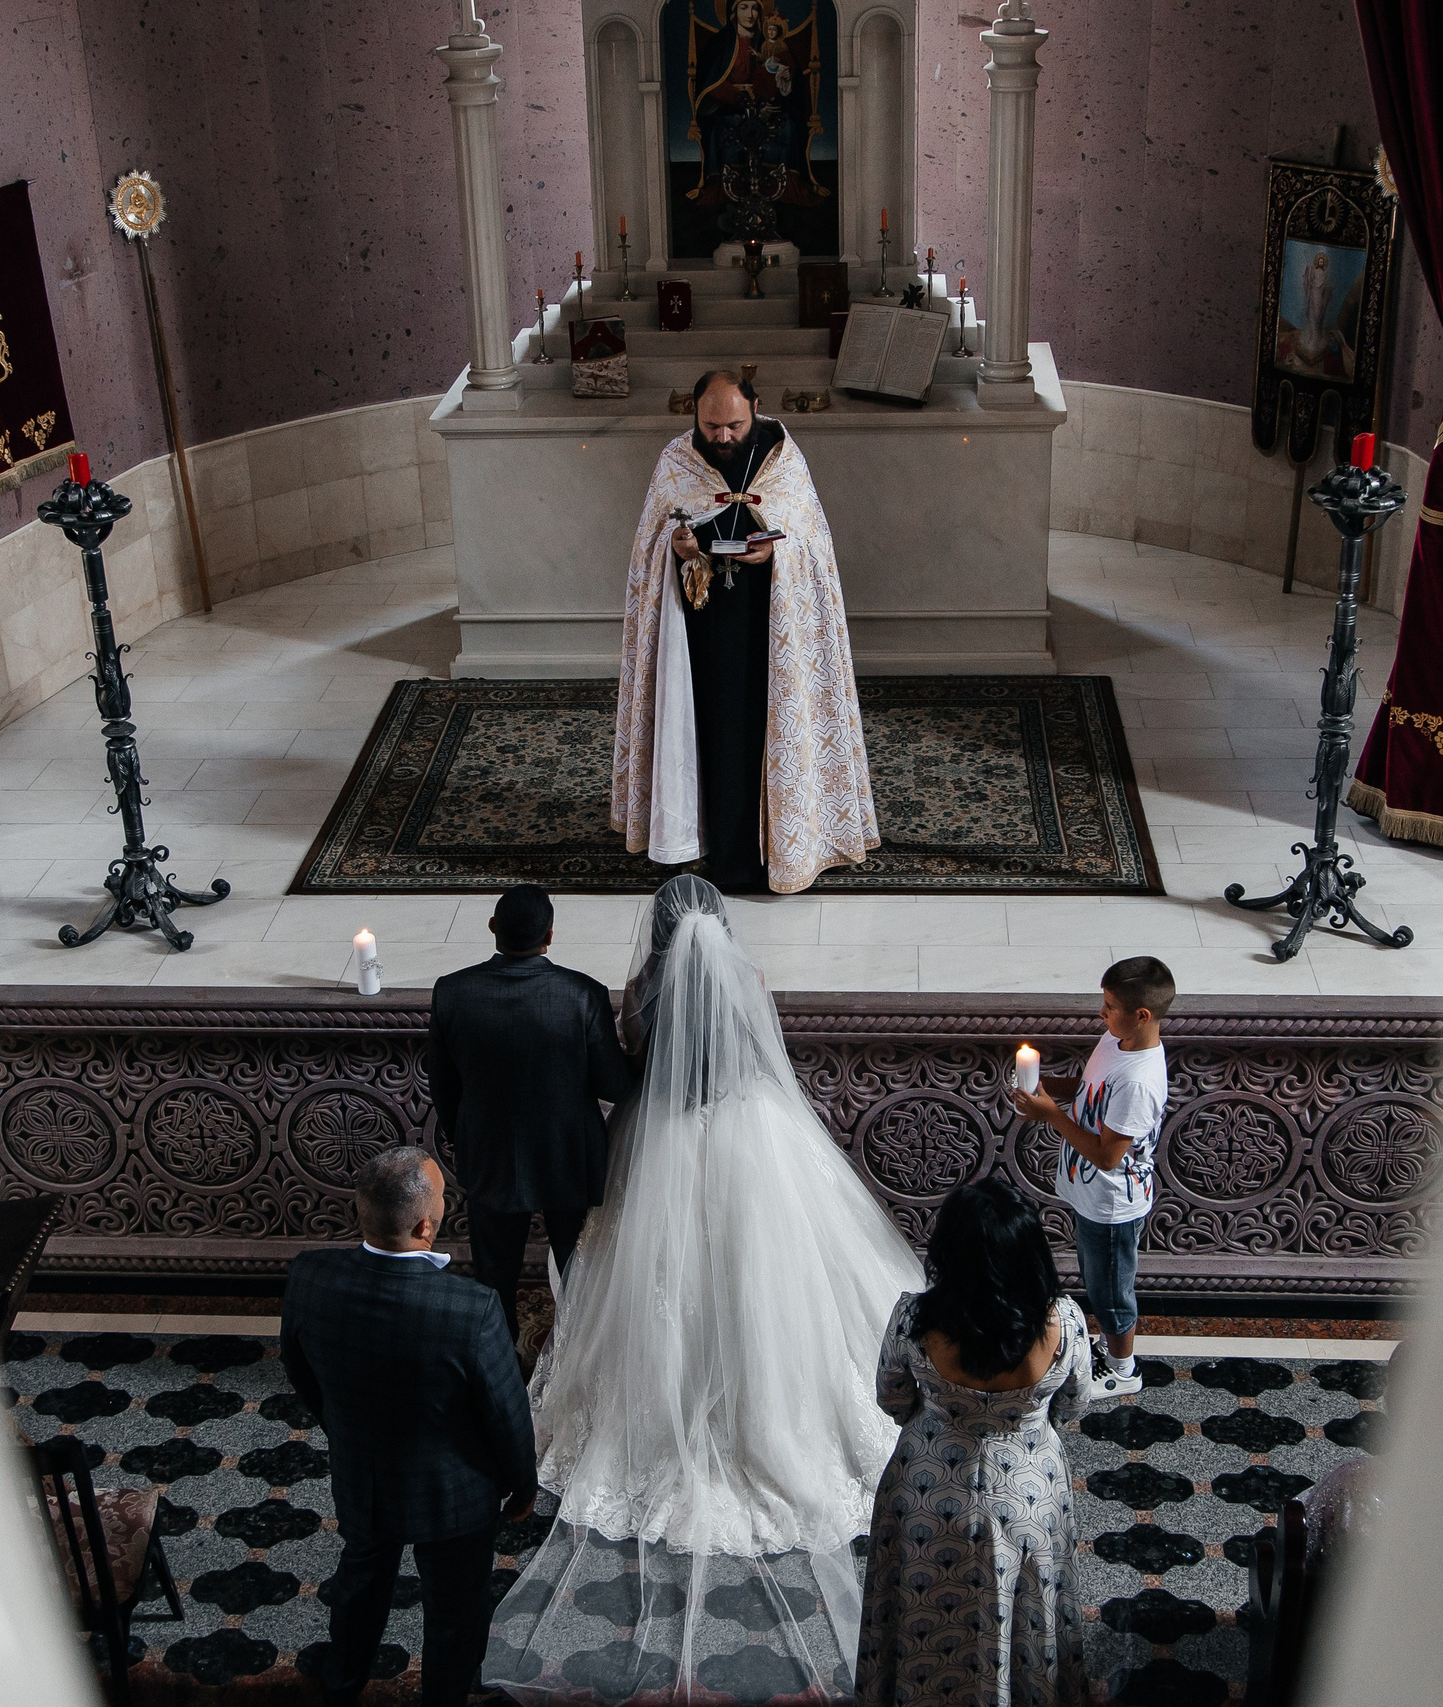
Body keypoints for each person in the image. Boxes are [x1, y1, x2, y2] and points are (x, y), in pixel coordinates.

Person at [482, 876, 925, 1704]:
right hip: (754, 1133)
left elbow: (628, 1070)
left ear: (658, 929)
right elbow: (760, 1057)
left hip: (664, 1138)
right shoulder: (746, 982)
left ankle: (665, 1417)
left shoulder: (641, 989)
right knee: (777, 1283)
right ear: (720, 927)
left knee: (656, 1285)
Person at [278, 1148, 537, 1707]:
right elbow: (506, 1413)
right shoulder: (471, 1309)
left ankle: (341, 1686)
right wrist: (523, 1484)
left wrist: (343, 1429)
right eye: (444, 1197)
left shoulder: (309, 1276)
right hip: (456, 1494)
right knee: (456, 1610)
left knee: (361, 1582)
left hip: (363, 1475)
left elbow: (299, 1369)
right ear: (426, 1224)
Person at [611, 368, 878, 894]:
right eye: (712, 427)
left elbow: (810, 539)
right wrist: (678, 545)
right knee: (710, 731)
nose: (725, 438)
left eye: (734, 425)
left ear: (755, 407)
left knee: (767, 727)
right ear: (695, 414)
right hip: (698, 625)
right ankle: (703, 842)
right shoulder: (677, 461)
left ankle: (785, 845)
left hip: (773, 623)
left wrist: (778, 548)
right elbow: (653, 536)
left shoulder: (783, 459)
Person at [855, 1179, 1094, 1707]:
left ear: (948, 1251)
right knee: (1024, 1627)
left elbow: (892, 1399)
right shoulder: (1066, 1322)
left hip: (924, 1497)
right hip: (1030, 1499)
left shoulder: (914, 1318)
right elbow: (1072, 1406)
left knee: (919, 1619)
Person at [426, 884, 639, 1348]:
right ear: (550, 935)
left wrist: (465, 1136)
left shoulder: (452, 991)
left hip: (489, 1151)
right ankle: (578, 1358)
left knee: (494, 1273)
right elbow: (614, 1086)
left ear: (491, 929)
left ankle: (499, 1359)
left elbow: (442, 1084)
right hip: (568, 1153)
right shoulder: (583, 994)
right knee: (577, 1268)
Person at [1008, 955, 1174, 1390]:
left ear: (1141, 1015)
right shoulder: (1115, 1042)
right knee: (1097, 1279)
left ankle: (1123, 1371)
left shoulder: (1140, 1082)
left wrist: (1050, 1115)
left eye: (1109, 1006)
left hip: (1113, 1203)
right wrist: (1042, 1090)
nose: (1101, 1013)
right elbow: (1089, 1090)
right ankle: (1111, 1350)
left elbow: (1107, 1157)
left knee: (1111, 1293)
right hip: (1092, 1195)